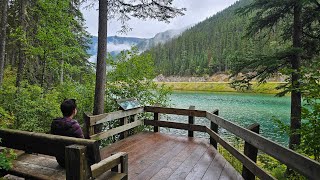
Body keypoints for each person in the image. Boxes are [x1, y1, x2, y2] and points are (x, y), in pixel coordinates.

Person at [51, 99, 84, 167]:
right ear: (74, 111)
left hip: (61, 161)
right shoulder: (74, 126)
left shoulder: (55, 123)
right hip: (74, 162)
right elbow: (83, 143)